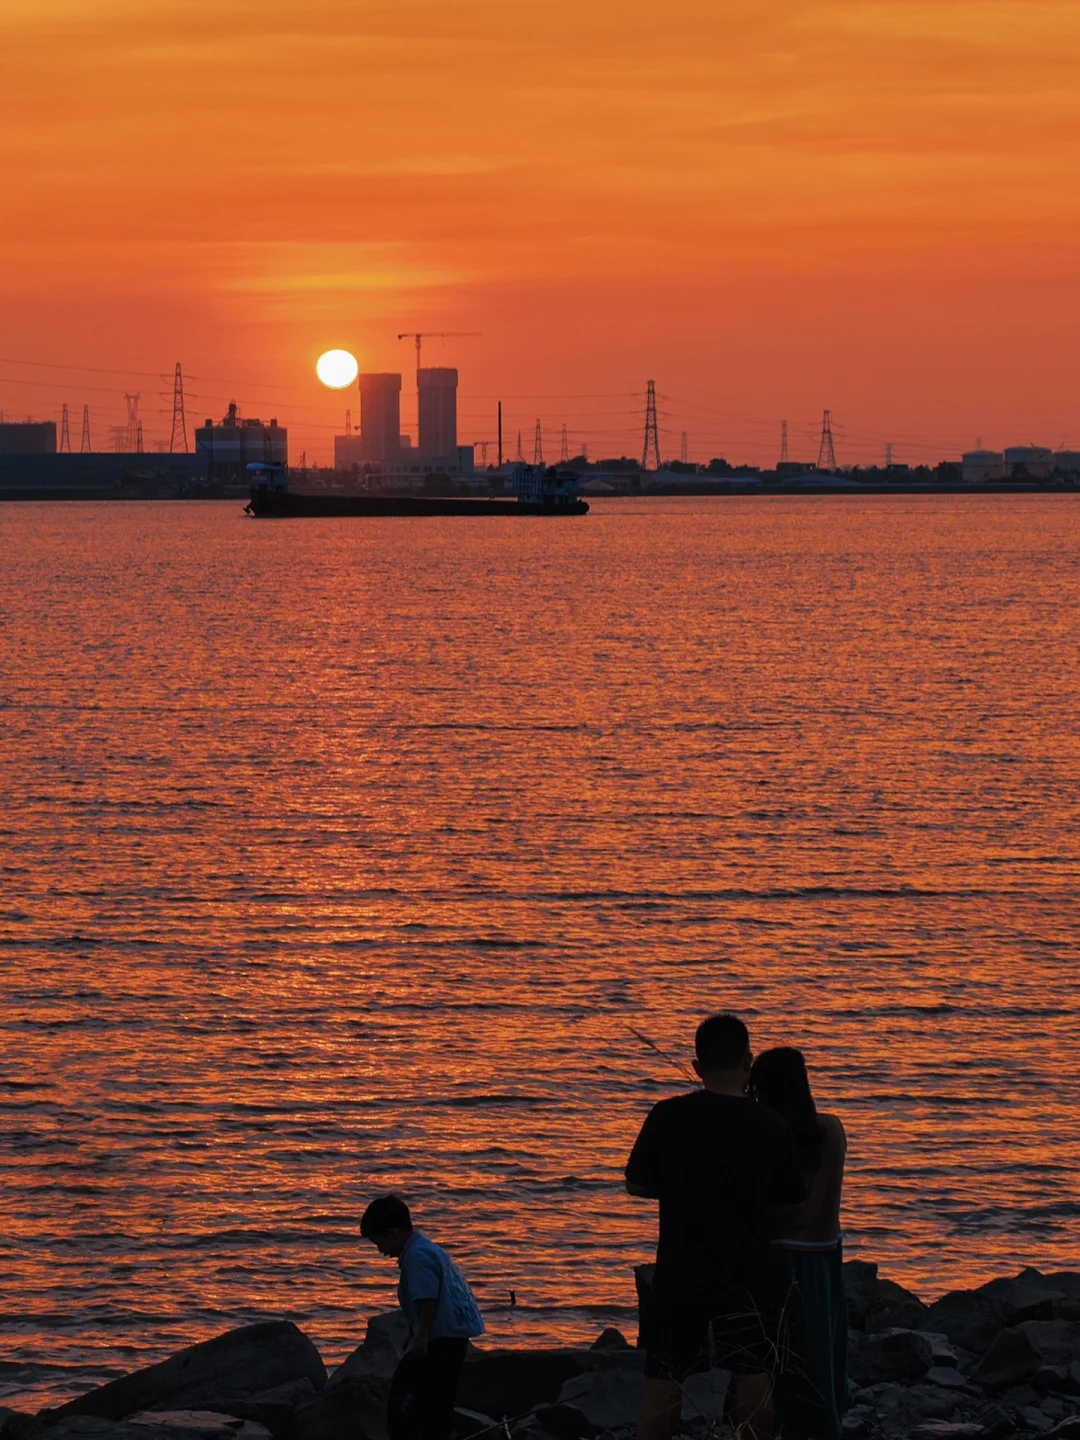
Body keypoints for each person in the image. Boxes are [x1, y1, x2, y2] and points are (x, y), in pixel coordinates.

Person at [625, 1014, 806, 1440]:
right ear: (747, 1063)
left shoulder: (667, 1115)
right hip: (749, 1269)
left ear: (697, 1066)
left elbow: (636, 1184)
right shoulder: (771, 1125)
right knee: (752, 1371)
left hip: (680, 1266)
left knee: (665, 1376)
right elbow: (793, 1204)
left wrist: (681, 1189)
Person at [749, 1048, 848, 1440]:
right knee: (824, 1352)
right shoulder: (833, 1129)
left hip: (785, 1258)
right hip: (827, 1254)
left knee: (788, 1357)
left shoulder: (770, 1137)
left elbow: (780, 1211)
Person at [360, 1195, 485, 1440]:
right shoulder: (425, 1248)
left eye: (378, 1243)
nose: (380, 1252)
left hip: (440, 1339)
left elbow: (427, 1298)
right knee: (437, 1399)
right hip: (450, 1335)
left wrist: (422, 1337)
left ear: (393, 1234)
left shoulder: (416, 1256)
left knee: (408, 1397)